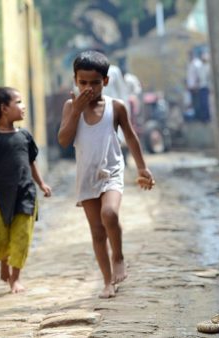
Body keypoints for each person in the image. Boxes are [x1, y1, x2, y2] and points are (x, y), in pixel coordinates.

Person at [58, 50, 155, 298]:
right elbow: (64, 140)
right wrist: (77, 111)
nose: (88, 88)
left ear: (106, 81)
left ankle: (119, 255)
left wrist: (142, 167)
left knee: (109, 213)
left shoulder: (116, 107)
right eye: (83, 83)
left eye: (95, 82)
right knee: (97, 232)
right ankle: (107, 281)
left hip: (111, 170)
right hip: (86, 176)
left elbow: (131, 137)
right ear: (75, 81)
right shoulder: (71, 106)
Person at [0, 87, 52, 294]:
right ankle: (3, 261)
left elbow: (31, 162)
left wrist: (41, 183)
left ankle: (15, 278)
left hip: (26, 194)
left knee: (22, 236)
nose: (23, 106)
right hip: (0, 195)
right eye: (18, 102)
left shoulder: (25, 136)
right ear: (4, 108)